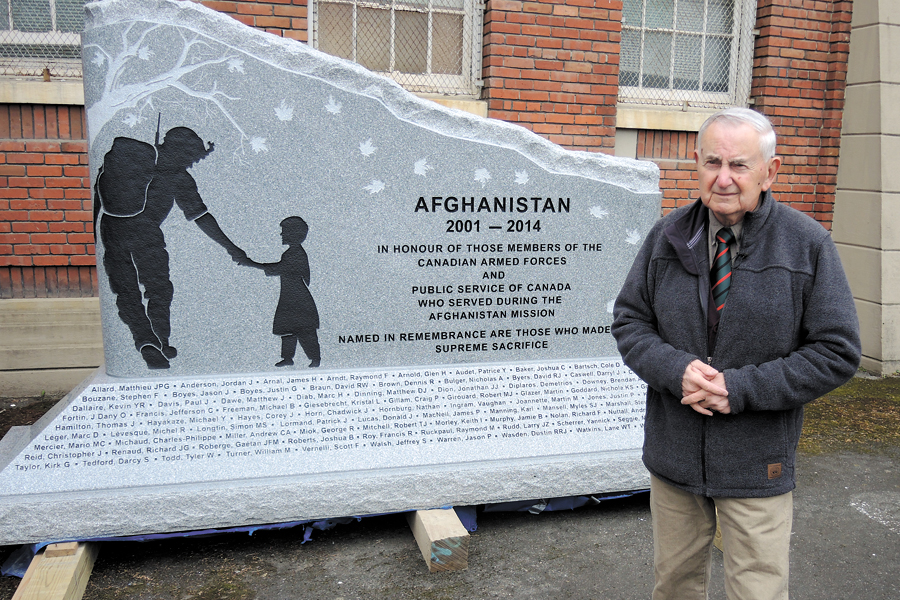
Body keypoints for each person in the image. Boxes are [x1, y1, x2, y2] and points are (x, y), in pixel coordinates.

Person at [611, 107, 860, 600]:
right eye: (711, 162)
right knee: (675, 584)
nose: (723, 178)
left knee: (758, 590)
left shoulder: (807, 244)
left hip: (757, 459)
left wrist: (738, 389)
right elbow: (630, 321)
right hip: (675, 454)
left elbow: (837, 350)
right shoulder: (667, 237)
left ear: (770, 172)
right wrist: (675, 370)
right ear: (697, 164)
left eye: (738, 165)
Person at [94, 127, 247, 370]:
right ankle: (160, 339)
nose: (193, 162)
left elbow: (99, 193)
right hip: (146, 232)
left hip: (111, 228)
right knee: (158, 288)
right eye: (192, 156)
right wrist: (232, 248)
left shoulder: (125, 160)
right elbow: (201, 216)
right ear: (182, 151)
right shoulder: (177, 177)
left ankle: (145, 339)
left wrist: (94, 235)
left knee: (126, 289)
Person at [242, 216, 321, 368]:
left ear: (293, 233)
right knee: (288, 329)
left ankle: (315, 359)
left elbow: (278, 268)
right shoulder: (291, 253)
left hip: (298, 297)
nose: (281, 234)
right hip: (290, 296)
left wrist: (251, 263)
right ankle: (288, 358)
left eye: (284, 231)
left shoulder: (295, 253)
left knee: (304, 330)